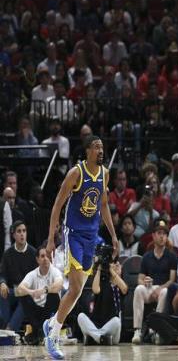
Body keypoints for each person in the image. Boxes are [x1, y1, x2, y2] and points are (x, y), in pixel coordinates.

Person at [43, 136, 119, 360]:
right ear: (87, 151)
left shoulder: (105, 173)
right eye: (96, 147)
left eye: (102, 147)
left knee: (77, 290)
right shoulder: (76, 173)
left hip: (91, 236)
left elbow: (103, 204)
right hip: (73, 234)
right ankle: (53, 336)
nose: (100, 150)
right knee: (75, 289)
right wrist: (51, 239)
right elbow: (57, 205)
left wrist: (113, 235)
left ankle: (51, 322)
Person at [132, 219, 177, 345]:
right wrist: (144, 282)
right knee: (138, 289)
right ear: (153, 235)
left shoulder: (171, 256)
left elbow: (172, 280)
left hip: (163, 288)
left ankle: (156, 330)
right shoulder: (147, 256)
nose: (162, 236)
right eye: (159, 233)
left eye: (164, 234)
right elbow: (139, 279)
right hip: (149, 288)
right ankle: (137, 330)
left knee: (164, 292)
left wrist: (159, 288)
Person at [17, 245, 63, 345]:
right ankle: (39, 331)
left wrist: (44, 290)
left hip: (49, 310)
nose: (45, 258)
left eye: (47, 256)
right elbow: (19, 289)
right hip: (36, 311)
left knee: (53, 295)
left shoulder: (55, 271)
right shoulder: (33, 274)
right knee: (23, 296)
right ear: (37, 260)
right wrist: (31, 292)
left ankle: (37, 332)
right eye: (42, 256)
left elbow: (59, 285)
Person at [77, 260, 128, 345]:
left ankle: (94, 337)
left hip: (113, 330)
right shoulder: (103, 283)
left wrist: (111, 270)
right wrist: (99, 270)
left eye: (118, 265)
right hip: (98, 326)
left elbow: (124, 289)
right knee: (81, 316)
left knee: (116, 321)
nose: (116, 266)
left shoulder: (119, 286)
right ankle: (100, 338)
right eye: (114, 264)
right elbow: (95, 290)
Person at [0, 220, 37, 331]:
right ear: (14, 235)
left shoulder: (33, 253)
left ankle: (9, 330)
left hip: (28, 292)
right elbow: (2, 274)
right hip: (13, 291)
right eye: (19, 231)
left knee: (25, 300)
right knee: (2, 293)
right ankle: (4, 327)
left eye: (24, 231)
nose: (22, 234)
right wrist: (2, 283)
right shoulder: (8, 254)